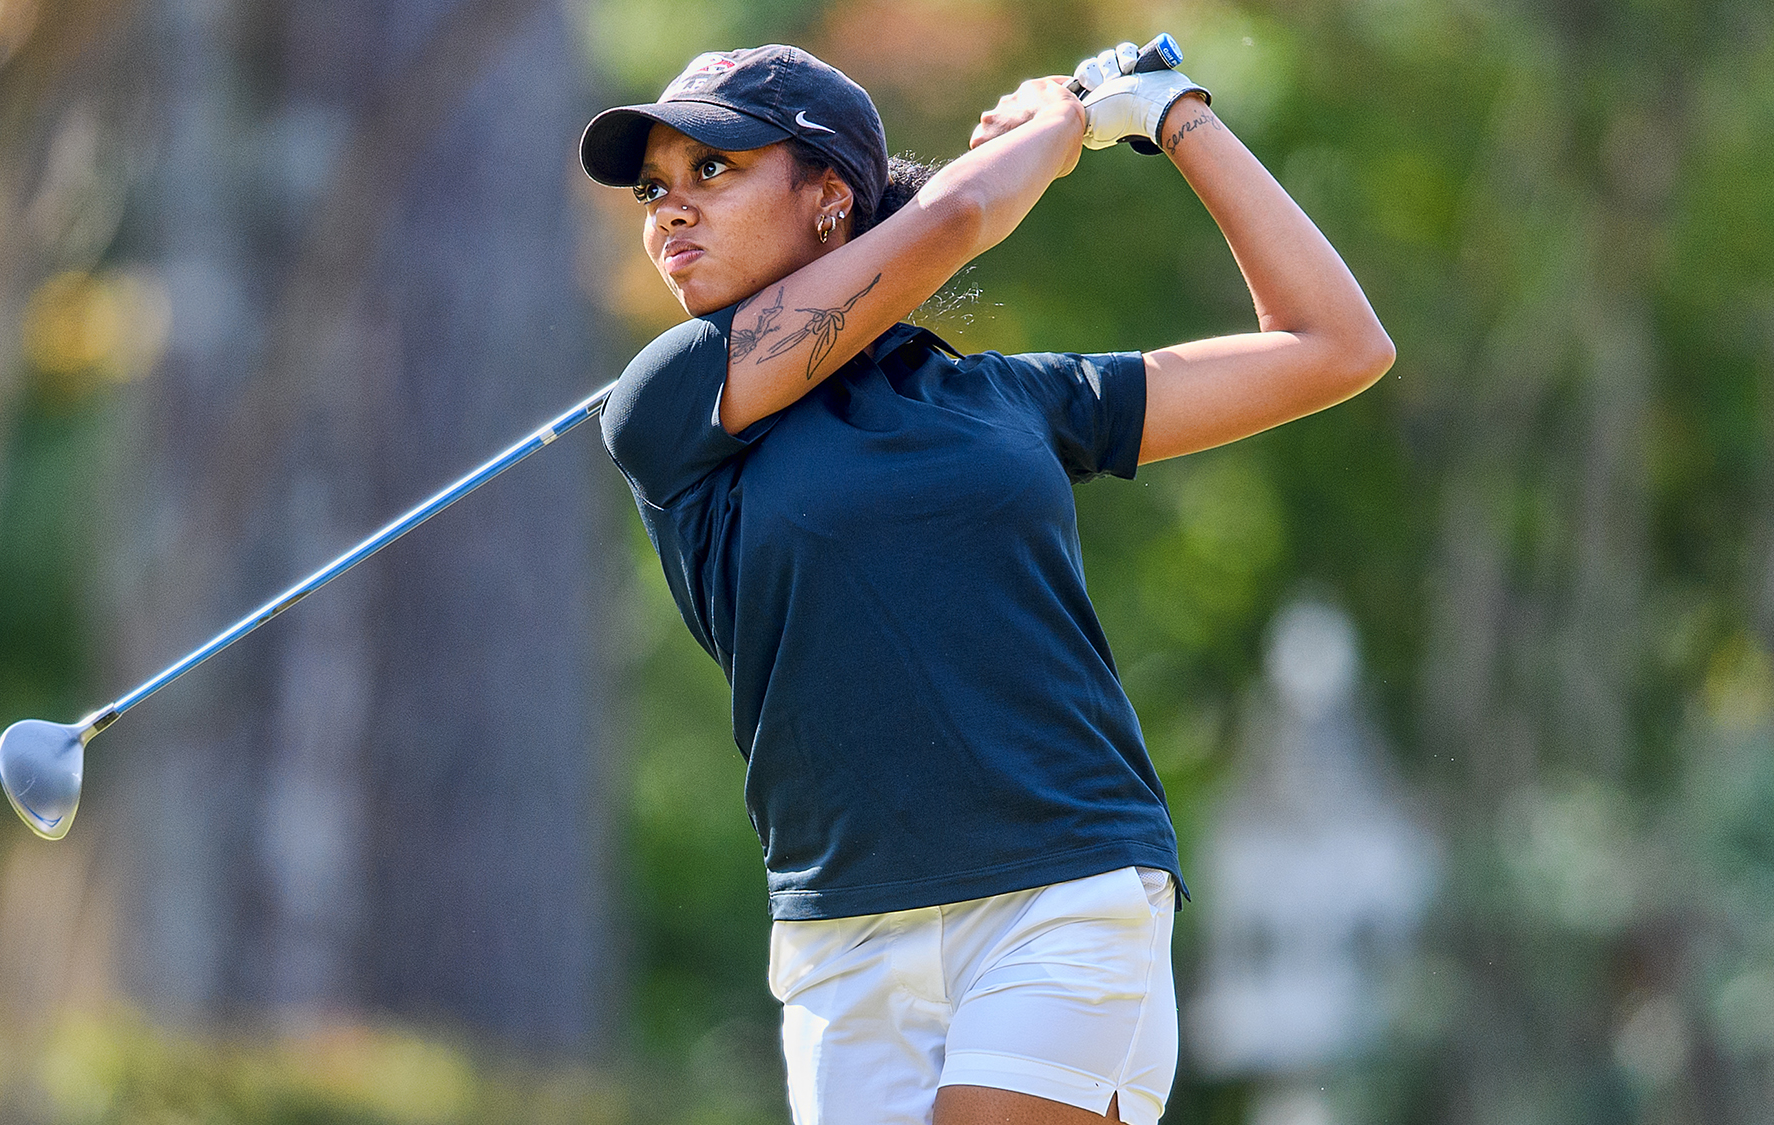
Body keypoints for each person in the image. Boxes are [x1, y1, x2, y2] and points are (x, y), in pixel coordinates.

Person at [579, 36, 1392, 1125]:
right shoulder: (667, 405)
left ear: (829, 197)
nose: (670, 210)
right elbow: (953, 221)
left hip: (1057, 889)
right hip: (842, 938)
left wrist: (1168, 113)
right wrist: (1058, 128)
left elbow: (1334, 344)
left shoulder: (1007, 403)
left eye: (713, 170)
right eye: (654, 189)